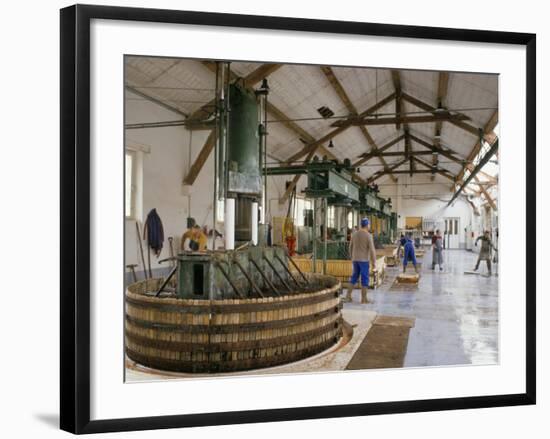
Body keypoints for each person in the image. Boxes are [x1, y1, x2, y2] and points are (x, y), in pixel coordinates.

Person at [344, 217, 377, 304]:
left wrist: (352, 257)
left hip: (355, 259)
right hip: (364, 260)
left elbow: (350, 247)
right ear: (367, 225)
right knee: (365, 278)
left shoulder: (354, 234)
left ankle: (348, 296)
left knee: (354, 277)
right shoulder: (368, 236)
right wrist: (374, 263)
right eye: (369, 224)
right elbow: (372, 250)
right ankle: (364, 299)